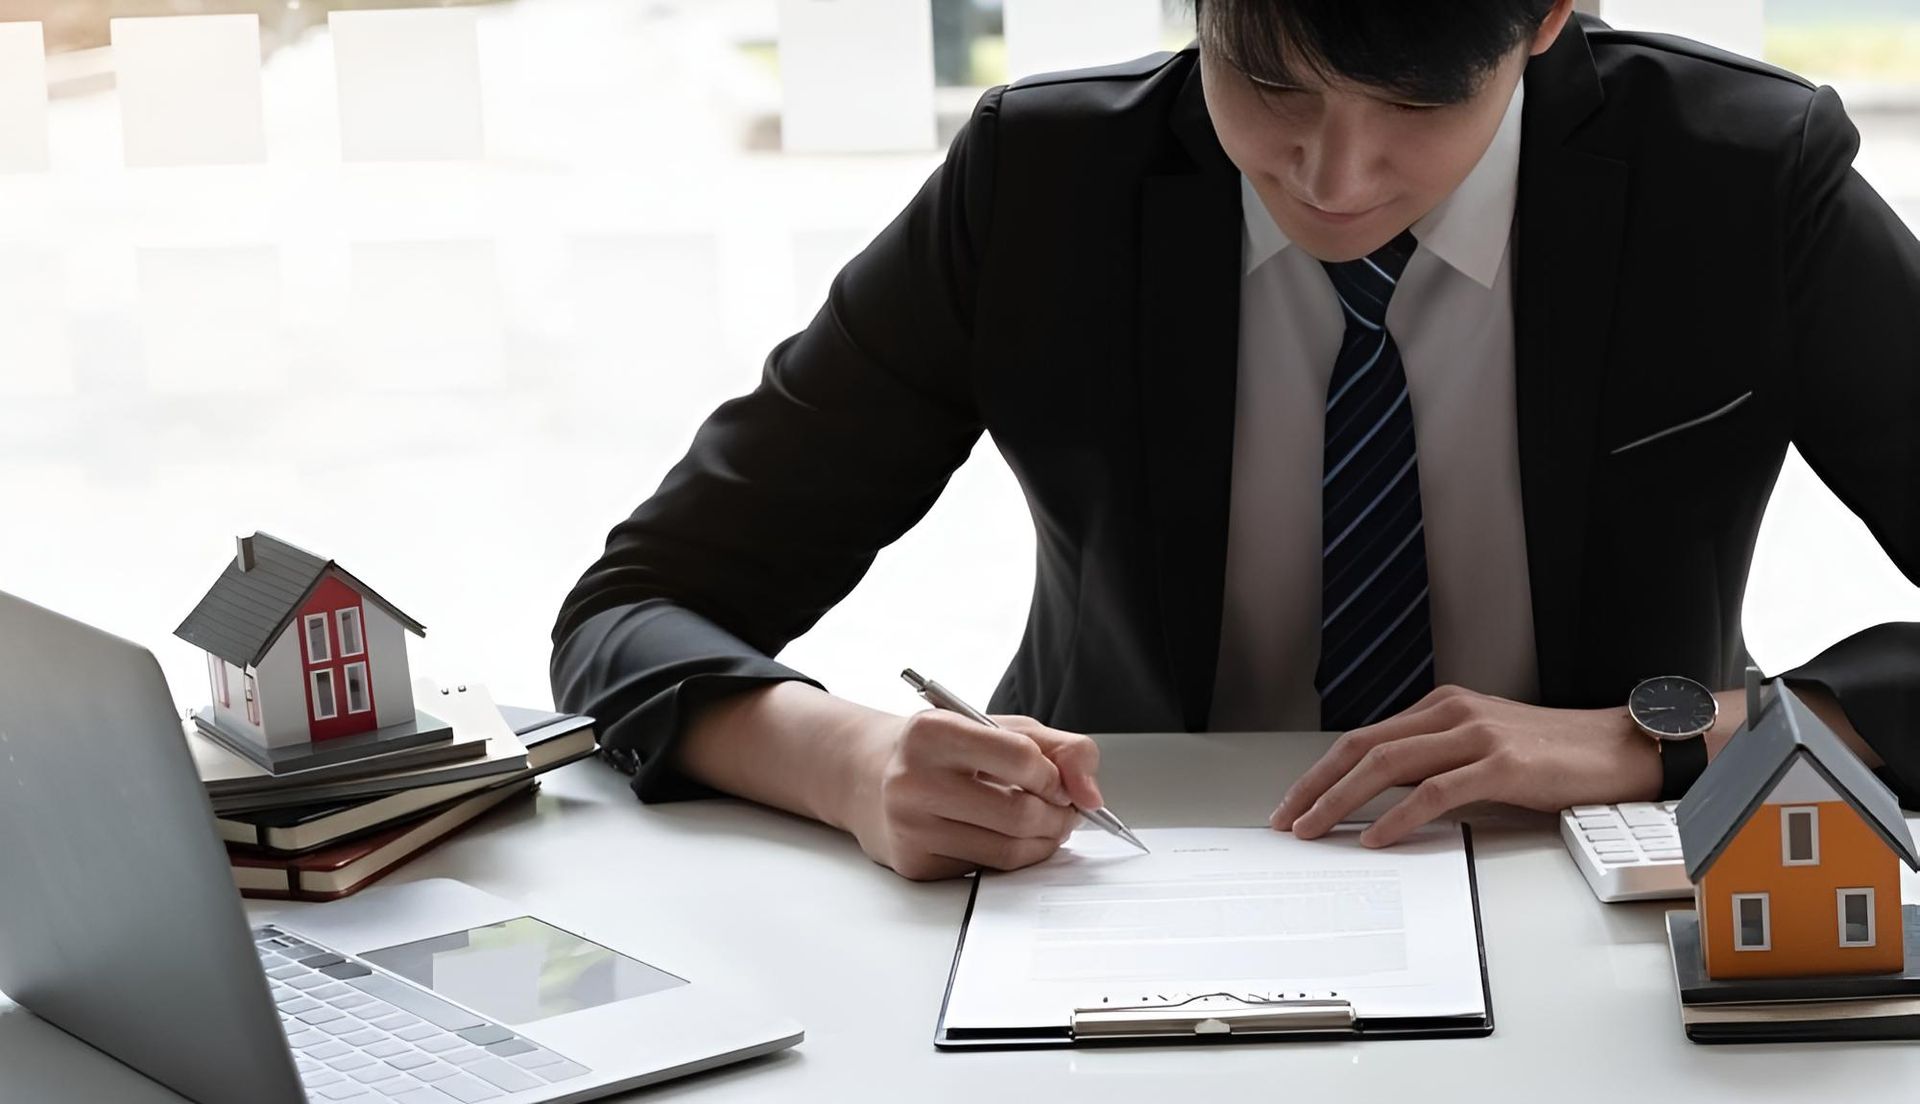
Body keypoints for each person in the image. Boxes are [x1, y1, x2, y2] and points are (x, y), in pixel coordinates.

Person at [551, 0, 1920, 881]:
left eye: (1418, 107)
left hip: (1602, 894)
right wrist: (851, 764)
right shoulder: (1044, 182)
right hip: (1114, 891)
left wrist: (1652, 744)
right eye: (1267, 83)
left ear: (1548, 20)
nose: (1336, 177)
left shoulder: (1738, 179)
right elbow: (636, 611)